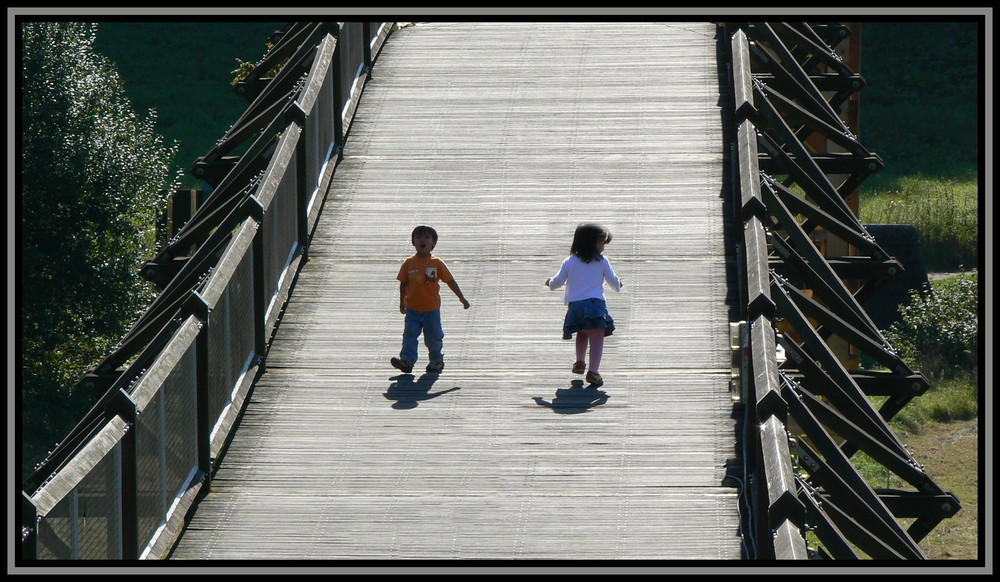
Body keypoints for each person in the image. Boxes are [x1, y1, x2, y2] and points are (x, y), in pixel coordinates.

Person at [545, 223, 622, 387]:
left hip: (576, 306)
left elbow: (558, 281)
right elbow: (612, 280)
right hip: (596, 306)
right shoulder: (601, 261)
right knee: (597, 338)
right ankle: (593, 371)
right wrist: (618, 285)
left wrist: (550, 283)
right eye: (601, 242)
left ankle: (580, 362)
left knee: (582, 332)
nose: (602, 246)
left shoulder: (569, 262)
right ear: (591, 243)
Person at [392, 225, 470, 374]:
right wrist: (401, 302)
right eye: (419, 237)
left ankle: (436, 360)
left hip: (431, 309)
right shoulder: (409, 263)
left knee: (433, 337)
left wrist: (461, 298)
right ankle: (407, 361)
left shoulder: (437, 263)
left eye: (427, 238)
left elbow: (450, 281)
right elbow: (403, 283)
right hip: (412, 309)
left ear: (433, 243)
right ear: (413, 242)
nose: (422, 240)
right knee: (410, 335)